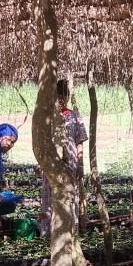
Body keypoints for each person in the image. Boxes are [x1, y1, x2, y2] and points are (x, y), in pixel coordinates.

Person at [37, 79, 88, 236]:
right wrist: (40, 162)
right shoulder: (47, 117)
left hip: (71, 162)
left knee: (70, 194)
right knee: (49, 194)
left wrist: (80, 165)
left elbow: (79, 142)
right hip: (51, 161)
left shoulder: (74, 116)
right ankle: (48, 233)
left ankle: (70, 231)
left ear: (67, 97)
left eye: (63, 96)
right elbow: (41, 142)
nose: (60, 100)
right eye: (57, 96)